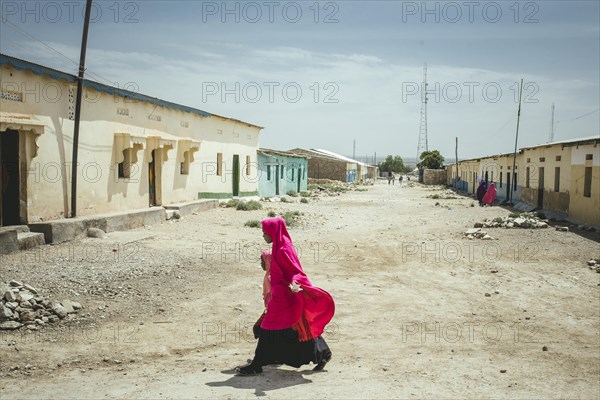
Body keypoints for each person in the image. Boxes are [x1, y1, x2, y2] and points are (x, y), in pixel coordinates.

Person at [236, 217, 335, 375]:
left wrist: (296, 283)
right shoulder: (278, 246)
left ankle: (256, 365)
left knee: (268, 327)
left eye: (264, 233)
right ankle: (323, 353)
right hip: (279, 297)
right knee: (292, 328)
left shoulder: (283, 249)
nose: (263, 236)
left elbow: (296, 270)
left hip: (285, 298)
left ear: (272, 232)